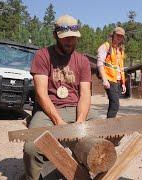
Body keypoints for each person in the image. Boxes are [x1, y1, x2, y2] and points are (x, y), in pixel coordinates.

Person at [23, 14, 93, 180]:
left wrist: (80, 121)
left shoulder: (82, 61)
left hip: (76, 109)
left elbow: (85, 94)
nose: (70, 42)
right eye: (65, 38)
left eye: (73, 38)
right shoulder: (43, 55)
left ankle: (78, 173)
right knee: (31, 148)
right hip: (49, 110)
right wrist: (59, 122)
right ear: (55, 35)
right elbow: (41, 94)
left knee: (103, 137)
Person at [97, 27, 126, 118]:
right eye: (117, 35)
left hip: (117, 80)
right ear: (112, 35)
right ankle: (110, 127)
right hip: (109, 79)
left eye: (121, 36)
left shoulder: (120, 50)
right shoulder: (105, 46)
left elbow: (120, 68)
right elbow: (100, 63)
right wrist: (104, 79)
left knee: (113, 104)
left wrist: (123, 83)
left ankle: (109, 127)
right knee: (115, 104)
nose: (119, 37)